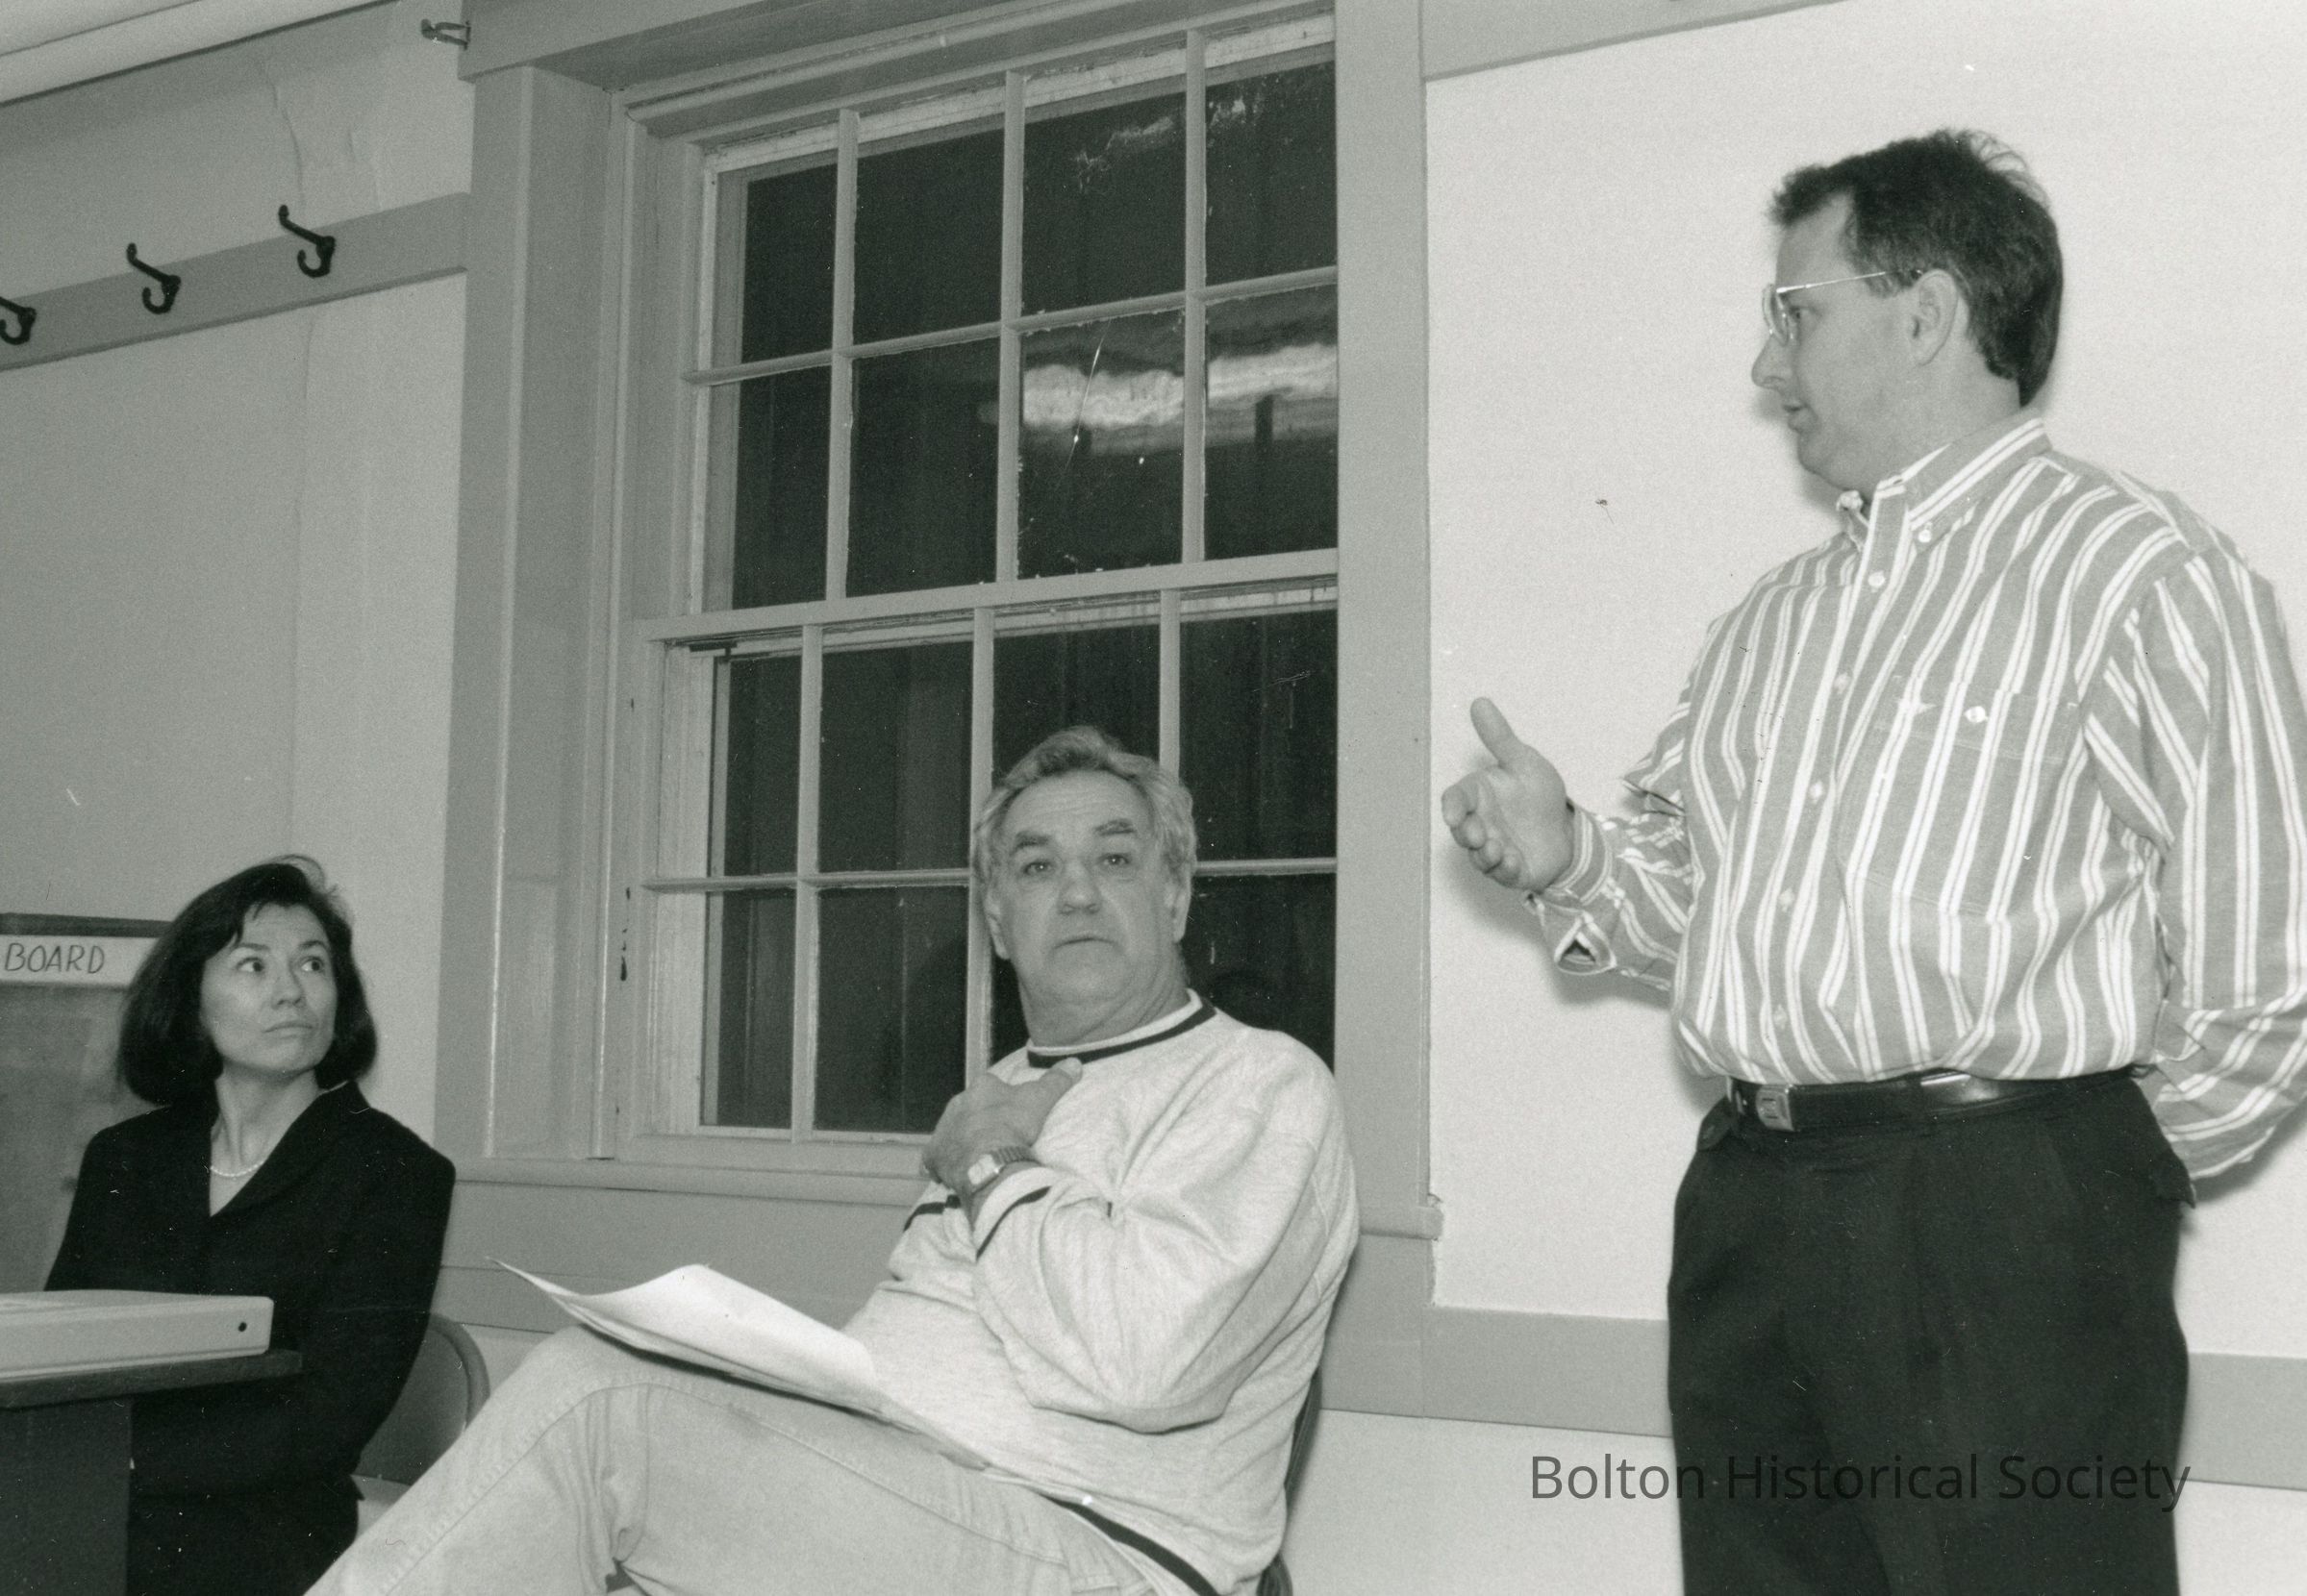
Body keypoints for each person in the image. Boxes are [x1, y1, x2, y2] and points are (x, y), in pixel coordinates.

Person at [1442, 130, 2307, 1596]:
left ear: (1924, 313)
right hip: (1748, 1212)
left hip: (2003, 1223)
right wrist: (1567, 857)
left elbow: (2266, 966)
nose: (1763, 366)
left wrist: (2074, 1191)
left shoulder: (2139, 574)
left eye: (1793, 314)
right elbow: (1692, 909)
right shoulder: (1769, 622)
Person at [316, 726, 1358, 1596]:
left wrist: (992, 1168)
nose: (1077, 893)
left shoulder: (1257, 1083)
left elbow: (1145, 1366)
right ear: (998, 921)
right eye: (1037, 867)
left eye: (1115, 860)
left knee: (598, 1402)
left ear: (1175, 895)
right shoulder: (999, 1088)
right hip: (910, 1502)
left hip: (1095, 1549)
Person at [46, 856, 456, 1596]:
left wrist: (115, 1461)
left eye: (313, 964)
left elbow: (332, 1415)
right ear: (190, 998)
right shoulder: (125, 1156)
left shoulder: (395, 1172)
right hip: (92, 1496)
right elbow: (61, 1353)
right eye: (253, 965)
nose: (291, 990)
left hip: (263, 1528)